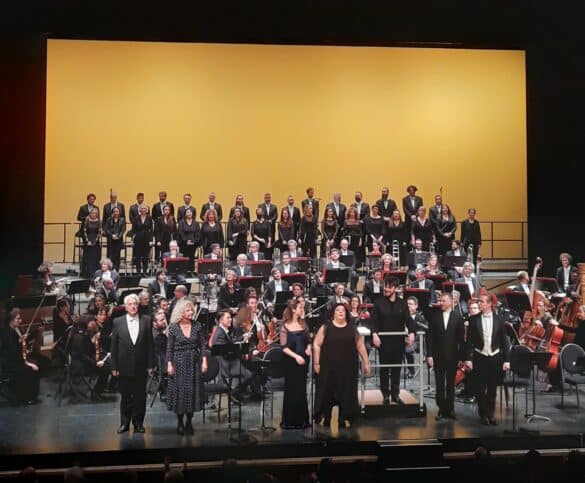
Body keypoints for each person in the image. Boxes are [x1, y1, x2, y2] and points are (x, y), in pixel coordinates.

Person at [313, 303, 371, 427]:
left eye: (343, 310)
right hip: (329, 367)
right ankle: (326, 418)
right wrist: (316, 362)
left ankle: (343, 418)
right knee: (327, 393)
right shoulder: (326, 327)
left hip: (348, 368)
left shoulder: (352, 328)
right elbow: (316, 344)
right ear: (333, 313)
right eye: (337, 310)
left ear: (346, 314)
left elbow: (360, 346)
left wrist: (366, 362)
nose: (340, 312)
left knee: (346, 393)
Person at [110, 294, 154, 433]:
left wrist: (151, 364)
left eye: (135, 303)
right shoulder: (118, 322)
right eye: (130, 304)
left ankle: (138, 423)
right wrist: (114, 366)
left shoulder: (146, 320)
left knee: (140, 397)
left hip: (141, 365)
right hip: (124, 366)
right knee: (126, 396)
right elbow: (114, 346)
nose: (133, 306)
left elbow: (150, 344)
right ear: (125, 307)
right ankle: (124, 423)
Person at [464, 293, 511, 425]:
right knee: (480, 388)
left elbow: (504, 341)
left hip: (495, 357)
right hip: (480, 356)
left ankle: (491, 414)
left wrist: (507, 360)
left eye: (482, 302)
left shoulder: (499, 319)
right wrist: (468, 358)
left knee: (492, 388)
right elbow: (469, 342)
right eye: (479, 301)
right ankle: (483, 414)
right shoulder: (473, 319)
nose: (480, 304)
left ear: (490, 303)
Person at [371, 276, 415, 405]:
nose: (386, 289)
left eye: (389, 287)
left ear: (395, 288)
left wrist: (412, 332)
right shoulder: (378, 303)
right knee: (384, 369)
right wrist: (374, 334)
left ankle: (395, 394)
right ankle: (385, 395)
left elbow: (409, 320)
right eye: (385, 286)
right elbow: (374, 321)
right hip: (383, 342)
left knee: (396, 369)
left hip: (398, 342)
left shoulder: (402, 303)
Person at [166, 301, 207, 435]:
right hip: (178, 362)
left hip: (194, 362)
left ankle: (189, 422)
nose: (191, 313)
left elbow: (202, 345)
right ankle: (180, 422)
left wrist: (204, 361)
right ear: (181, 312)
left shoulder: (197, 325)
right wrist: (169, 364)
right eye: (188, 310)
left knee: (192, 392)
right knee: (181, 392)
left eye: (191, 310)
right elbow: (169, 348)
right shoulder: (173, 327)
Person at [426, 292, 465, 420]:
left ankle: (450, 409)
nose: (441, 303)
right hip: (438, 356)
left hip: (453, 356)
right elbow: (430, 338)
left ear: (450, 301)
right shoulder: (434, 317)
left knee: (450, 385)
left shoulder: (458, 317)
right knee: (439, 383)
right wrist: (429, 355)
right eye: (440, 301)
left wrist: (461, 358)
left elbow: (461, 340)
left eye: (443, 301)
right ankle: (441, 409)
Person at [280, 299, 311, 429]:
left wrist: (309, 348)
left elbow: (308, 340)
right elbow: (284, 347)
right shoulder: (285, 326)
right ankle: (289, 421)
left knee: (301, 390)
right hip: (291, 362)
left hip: (303, 361)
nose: (302, 310)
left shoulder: (303, 324)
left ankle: (302, 420)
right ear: (293, 310)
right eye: (300, 308)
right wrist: (296, 356)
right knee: (291, 390)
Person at [0, 309, 40, 405]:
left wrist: (21, 340)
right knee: (31, 369)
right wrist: (27, 363)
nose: (20, 321)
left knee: (35, 363)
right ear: (11, 320)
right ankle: (27, 398)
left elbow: (15, 347)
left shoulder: (12, 330)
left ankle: (30, 394)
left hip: (14, 361)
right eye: (18, 319)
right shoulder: (8, 333)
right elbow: (13, 354)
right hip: (10, 365)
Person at [132, 205, 153, 275]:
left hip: (146, 239)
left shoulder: (149, 218)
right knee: (138, 256)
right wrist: (133, 239)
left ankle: (144, 271)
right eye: (142, 208)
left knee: (145, 256)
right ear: (140, 210)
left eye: (145, 209)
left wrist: (151, 240)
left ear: (147, 210)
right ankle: (138, 271)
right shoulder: (136, 218)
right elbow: (133, 230)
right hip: (138, 239)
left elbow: (151, 230)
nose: (143, 210)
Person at [81, 207, 102, 278]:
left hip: (95, 241)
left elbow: (99, 232)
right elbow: (84, 231)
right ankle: (87, 274)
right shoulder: (87, 220)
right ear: (90, 213)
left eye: (95, 213)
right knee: (87, 258)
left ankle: (95, 274)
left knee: (95, 258)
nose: (94, 214)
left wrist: (95, 241)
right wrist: (87, 241)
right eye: (93, 213)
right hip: (88, 240)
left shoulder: (99, 221)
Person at [104, 206, 126, 271]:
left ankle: (117, 269)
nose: (116, 213)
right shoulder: (109, 219)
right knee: (110, 255)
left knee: (117, 255)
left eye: (117, 211)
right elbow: (106, 229)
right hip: (111, 240)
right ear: (112, 212)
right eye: (114, 211)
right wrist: (112, 235)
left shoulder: (122, 219)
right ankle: (110, 269)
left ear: (119, 212)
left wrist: (118, 236)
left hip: (118, 240)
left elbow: (123, 230)